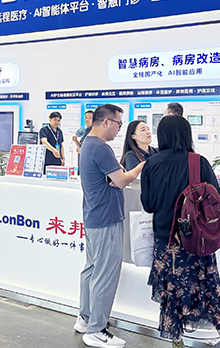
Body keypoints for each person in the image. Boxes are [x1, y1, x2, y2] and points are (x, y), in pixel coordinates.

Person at [140, 115, 220, 348]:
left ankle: (177, 342)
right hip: (197, 240)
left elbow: (148, 205)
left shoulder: (151, 164)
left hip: (166, 241)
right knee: (210, 287)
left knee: (171, 291)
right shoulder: (198, 162)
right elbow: (216, 196)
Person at [74, 104, 144, 348]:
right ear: (105, 122)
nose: (118, 130)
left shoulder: (88, 144)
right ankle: (96, 329)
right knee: (105, 275)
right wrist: (140, 167)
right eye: (118, 124)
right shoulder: (100, 148)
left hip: (94, 217)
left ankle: (85, 319)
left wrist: (118, 177)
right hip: (106, 218)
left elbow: (114, 178)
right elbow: (121, 180)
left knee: (92, 270)